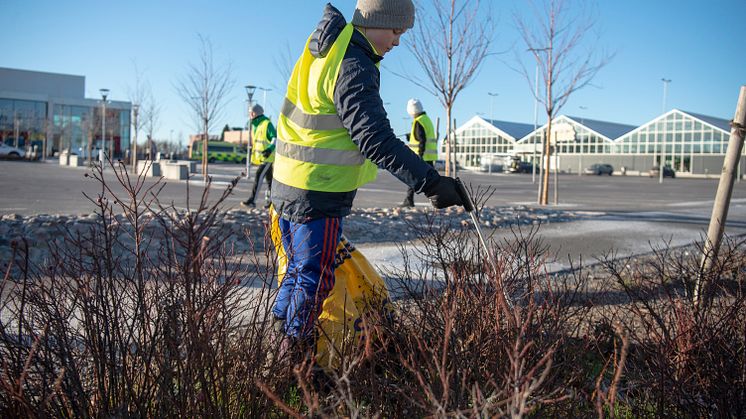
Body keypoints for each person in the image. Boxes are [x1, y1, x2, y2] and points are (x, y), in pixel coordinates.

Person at [269, 0, 464, 347]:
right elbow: (375, 139)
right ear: (378, 20)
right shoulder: (353, 64)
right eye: (395, 31)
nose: (397, 41)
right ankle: (294, 358)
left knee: (298, 272)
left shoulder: (325, 47)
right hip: (317, 191)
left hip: (288, 183)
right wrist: (431, 182)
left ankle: (276, 339)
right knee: (314, 279)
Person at [400, 98, 438, 207]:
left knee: (412, 177)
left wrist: (420, 156)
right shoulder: (426, 119)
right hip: (429, 156)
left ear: (412, 111)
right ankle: (436, 200)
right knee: (431, 180)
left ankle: (409, 200)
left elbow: (422, 139)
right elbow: (420, 136)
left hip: (421, 156)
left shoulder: (418, 121)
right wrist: (410, 136)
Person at [241, 104, 277, 208]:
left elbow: (275, 138)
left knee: (258, 176)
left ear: (256, 113)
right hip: (262, 158)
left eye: (251, 112)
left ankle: (252, 201)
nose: (250, 114)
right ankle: (272, 203)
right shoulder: (256, 125)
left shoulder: (267, 124)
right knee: (270, 181)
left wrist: (269, 149)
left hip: (268, 157)